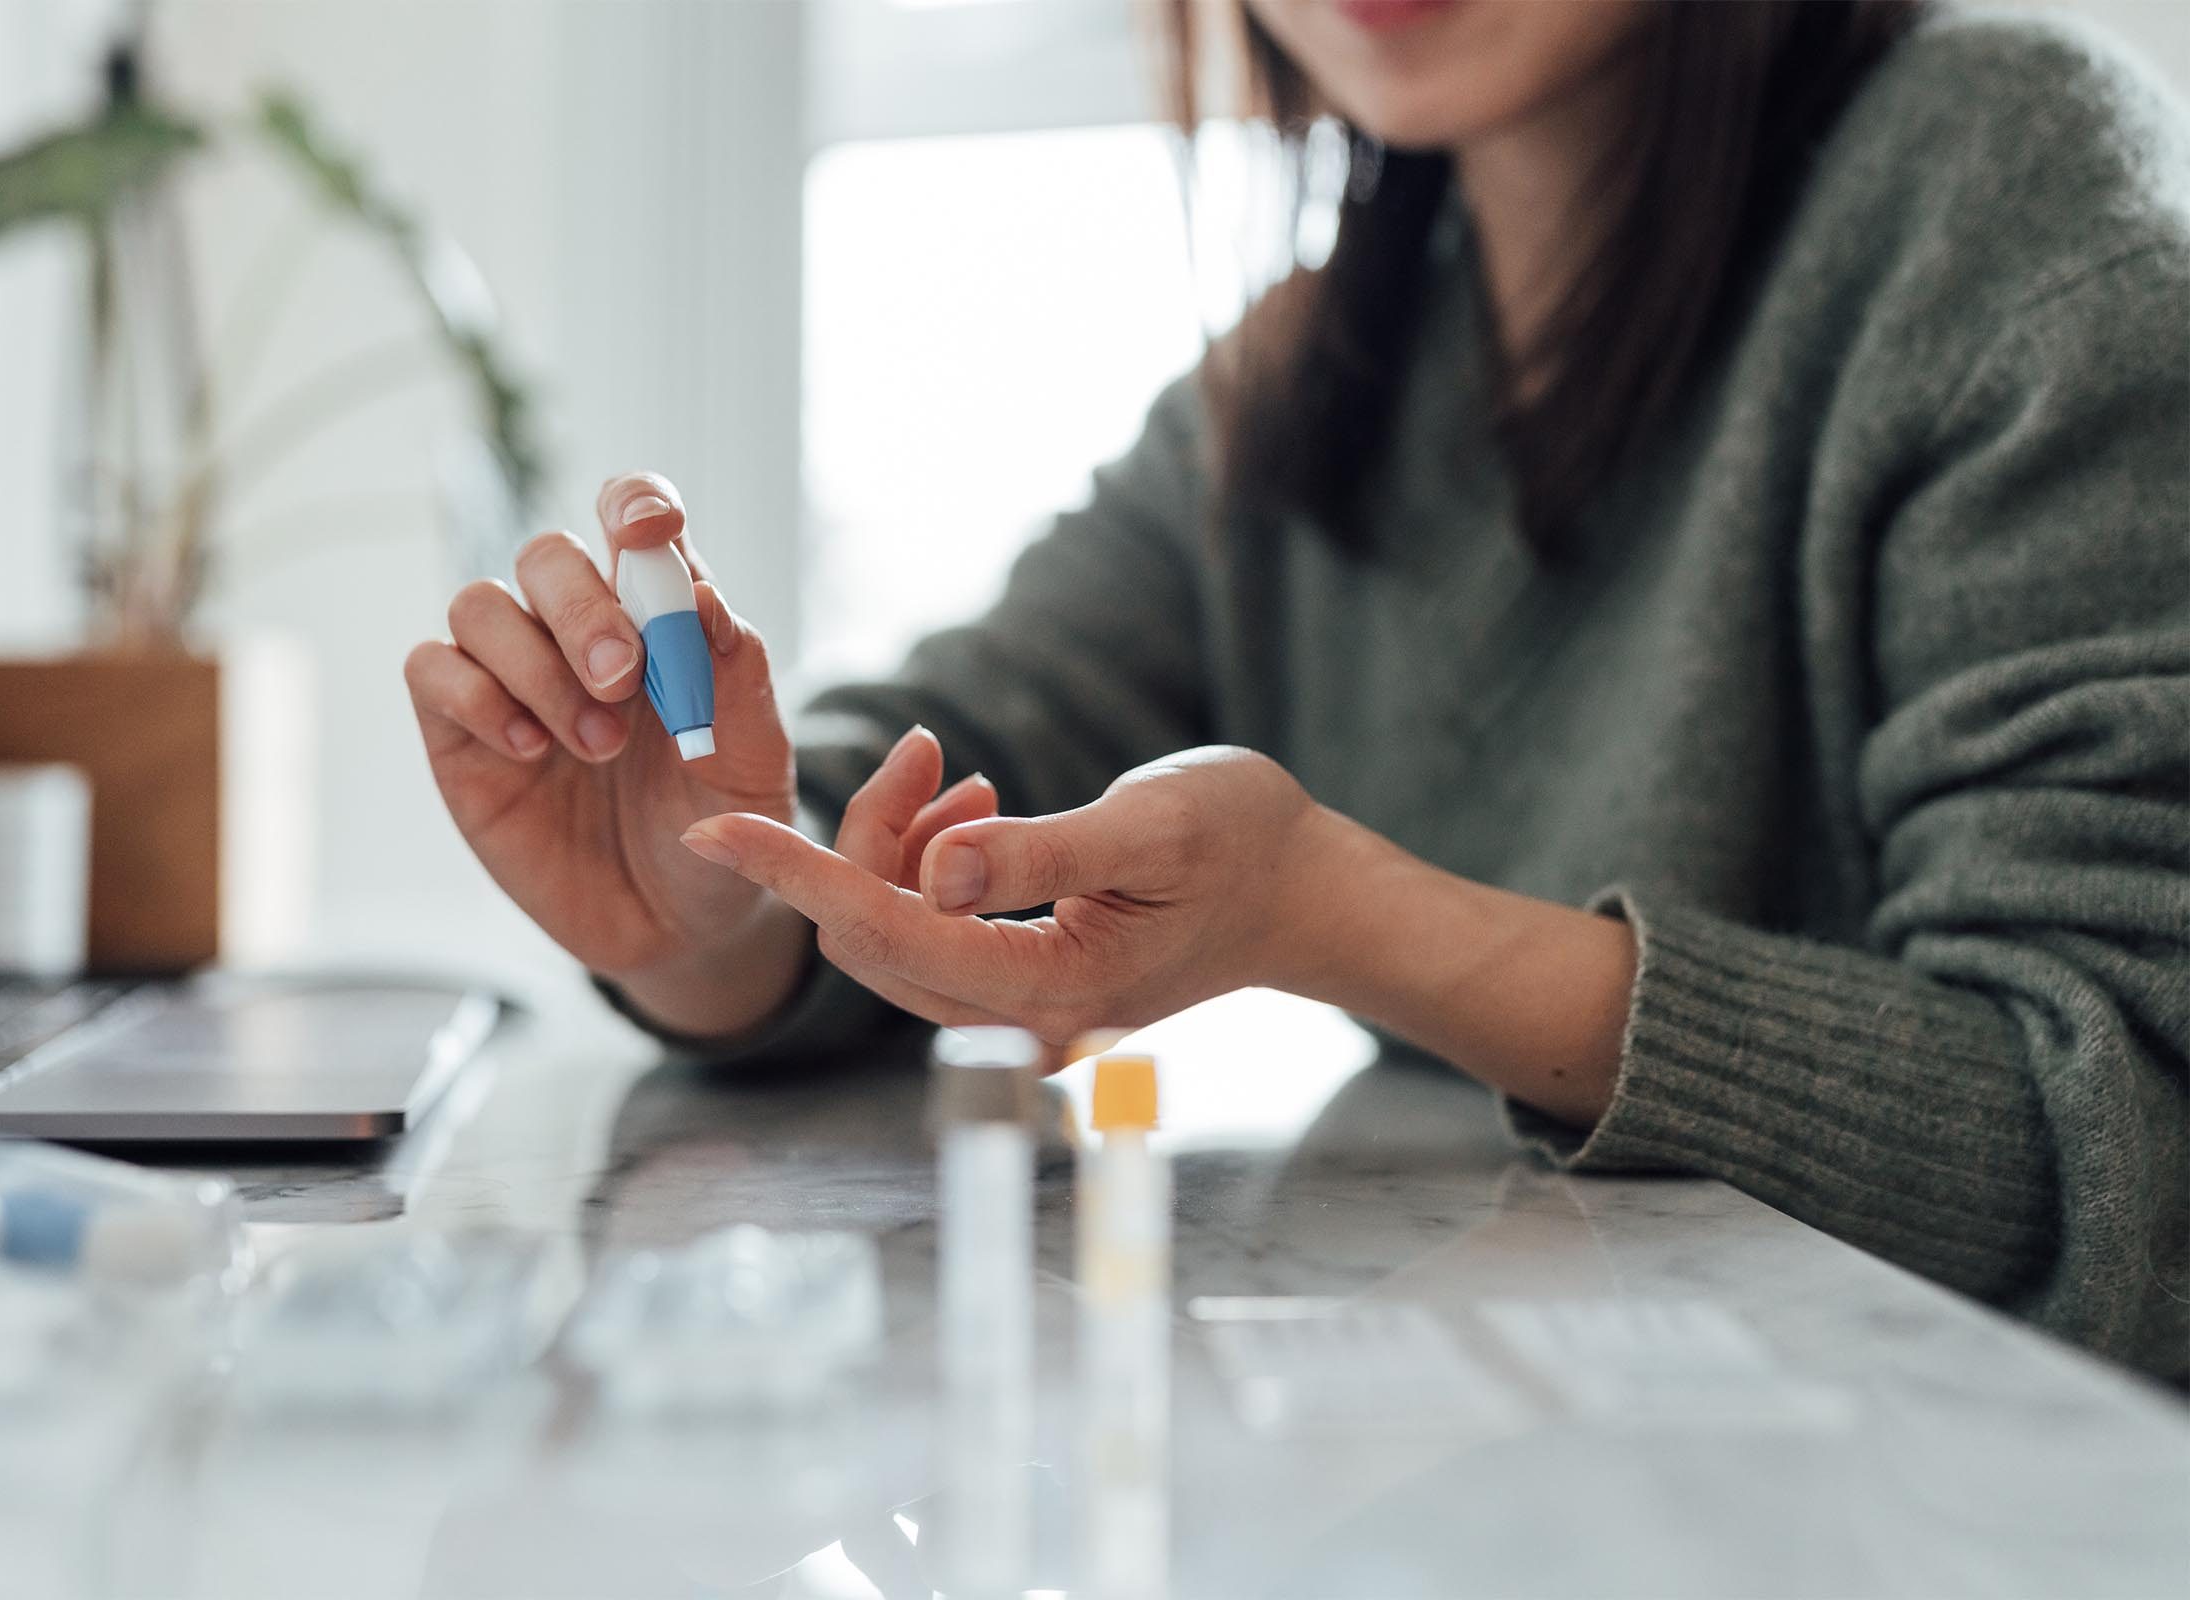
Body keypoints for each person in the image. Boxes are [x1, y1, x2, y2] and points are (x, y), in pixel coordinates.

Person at [402, 0, 2189, 1380]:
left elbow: (2125, 1137)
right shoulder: (1314, 369)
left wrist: (1341, 916)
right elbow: (966, 751)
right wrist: (719, 908)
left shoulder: (2006, 182)